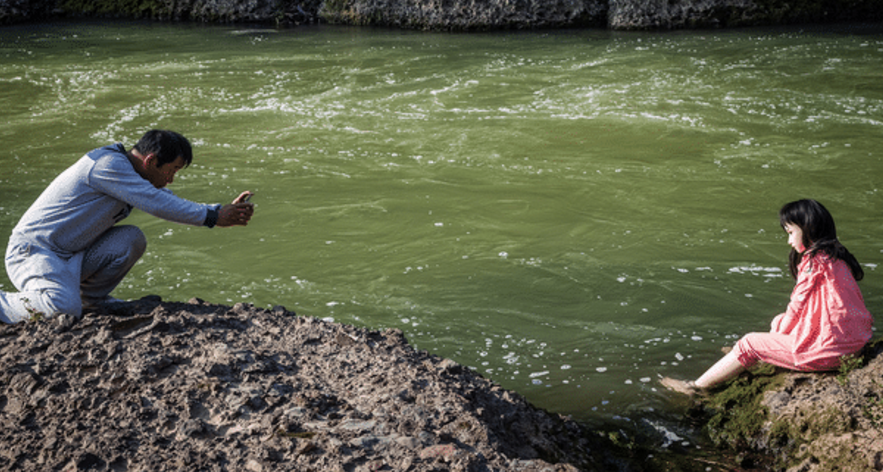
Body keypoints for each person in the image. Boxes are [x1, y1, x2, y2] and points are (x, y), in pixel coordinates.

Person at [0, 129, 255, 324]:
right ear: (151, 161)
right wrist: (214, 216)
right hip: (35, 251)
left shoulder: (130, 174)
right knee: (61, 308)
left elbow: (165, 200)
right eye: (172, 170)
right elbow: (158, 203)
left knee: (131, 239)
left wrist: (218, 210)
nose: (172, 178)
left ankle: (90, 301)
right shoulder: (107, 165)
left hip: (73, 254)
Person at [660, 199, 874, 395]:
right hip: (854, 345)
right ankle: (748, 356)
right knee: (776, 321)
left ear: (809, 229)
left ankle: (696, 387)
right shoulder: (836, 257)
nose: (789, 241)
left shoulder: (812, 263)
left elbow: (796, 307)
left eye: (791, 232)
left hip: (830, 352)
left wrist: (769, 341)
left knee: (750, 343)